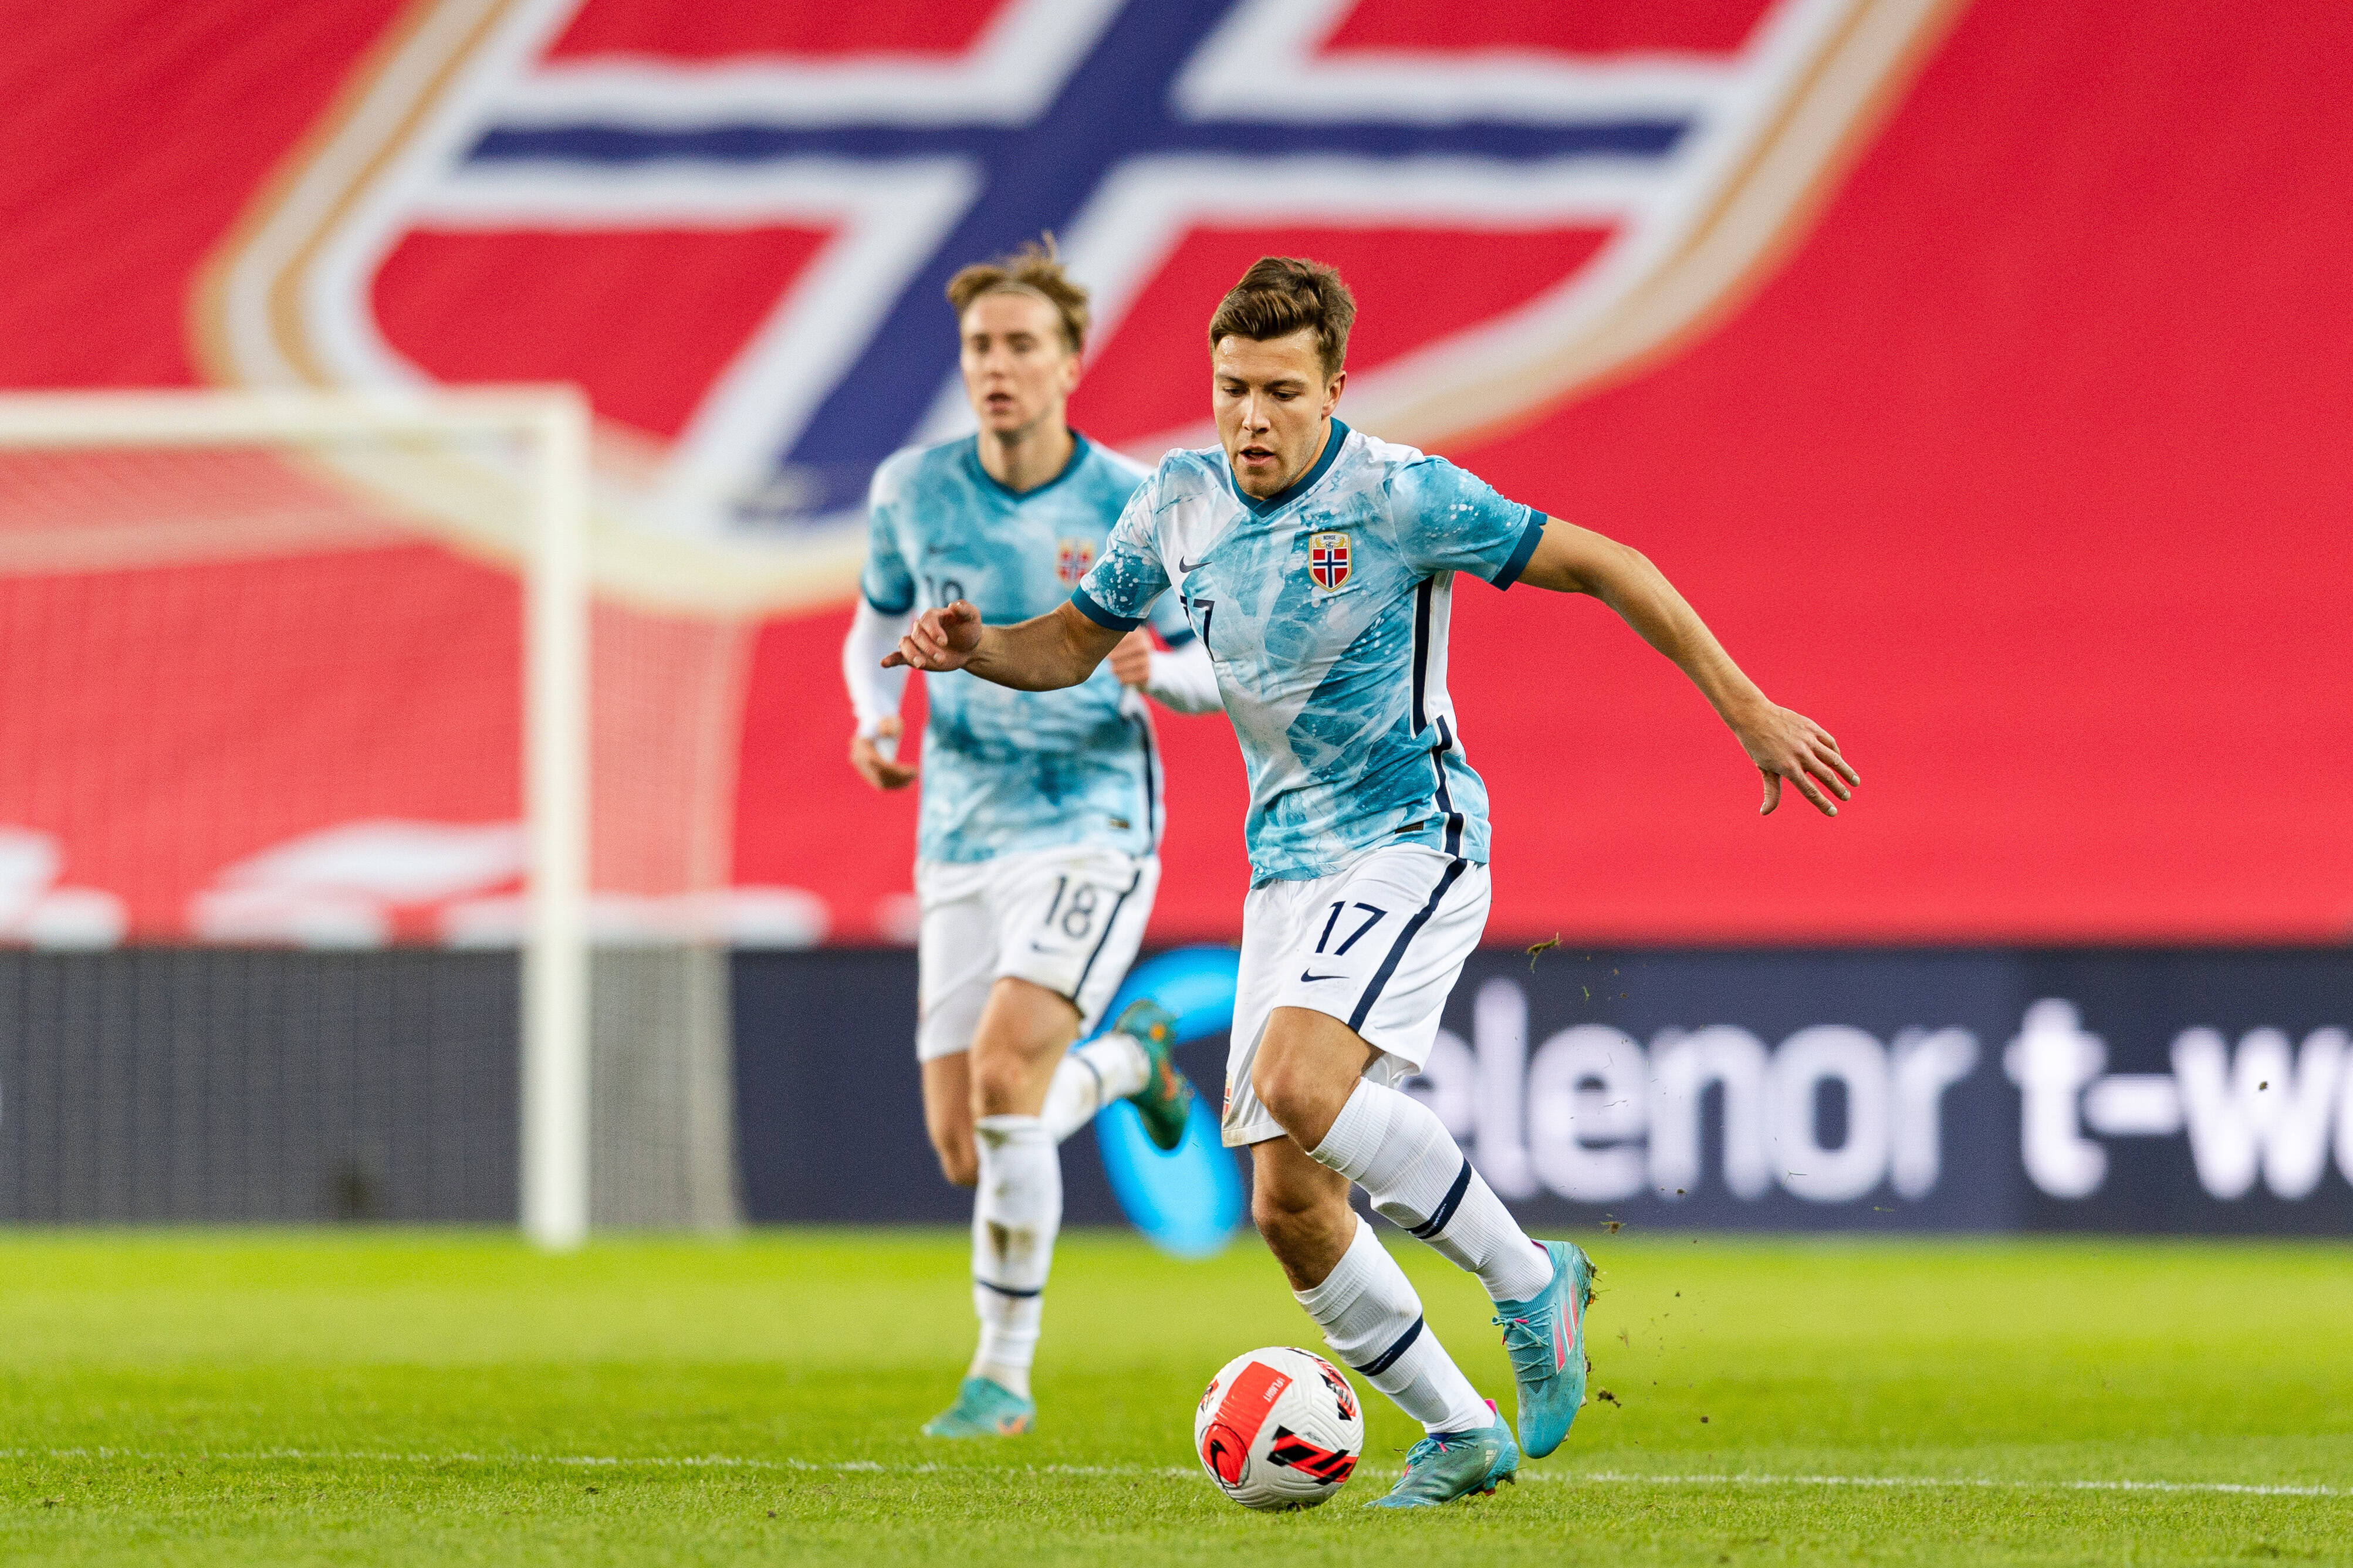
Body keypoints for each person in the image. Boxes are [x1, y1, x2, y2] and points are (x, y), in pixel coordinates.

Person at [883, 256, 1860, 1504]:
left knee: (1300, 1078)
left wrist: (1748, 708)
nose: (1249, 417)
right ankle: (1457, 1429)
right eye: (1231, 387)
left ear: (1334, 386)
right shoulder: (1177, 500)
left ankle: (1527, 1278)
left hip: (1414, 832)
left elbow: (1612, 561)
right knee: (1290, 1203)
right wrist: (977, 650)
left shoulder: (1400, 493)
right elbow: (1071, 644)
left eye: (1280, 392)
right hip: (1282, 870)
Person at [841, 238, 1223, 1440]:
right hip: (957, 826)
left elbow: (1225, 649)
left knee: (1009, 1076)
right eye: (979, 348)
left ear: (1069, 362)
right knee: (966, 1146)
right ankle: (1133, 1065)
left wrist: (1157, 668)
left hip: (1090, 821)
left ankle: (1000, 1374)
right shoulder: (913, 489)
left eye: (1020, 346)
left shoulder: (1132, 500)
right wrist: (873, 713)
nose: (995, 366)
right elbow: (870, 629)